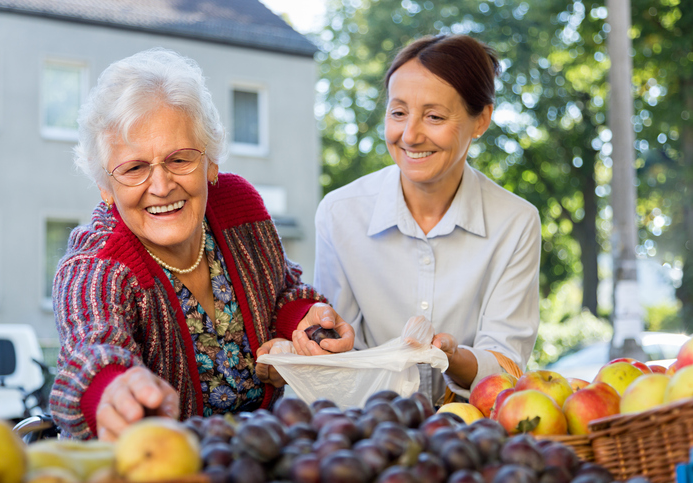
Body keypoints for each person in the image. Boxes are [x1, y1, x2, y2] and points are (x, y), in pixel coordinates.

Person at [49, 48, 353, 441]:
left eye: (180, 160)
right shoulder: (96, 265)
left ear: (211, 161)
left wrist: (304, 322)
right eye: (135, 168)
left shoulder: (237, 205)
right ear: (105, 187)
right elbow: (91, 348)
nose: (160, 186)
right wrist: (112, 390)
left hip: (262, 456)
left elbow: (281, 288)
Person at [313, 34, 541, 406]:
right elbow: (337, 354)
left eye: (434, 116)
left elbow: (507, 365)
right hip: (365, 431)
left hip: (468, 437)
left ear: (481, 119)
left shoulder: (515, 223)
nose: (410, 135)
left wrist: (452, 359)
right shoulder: (340, 214)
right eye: (398, 113)